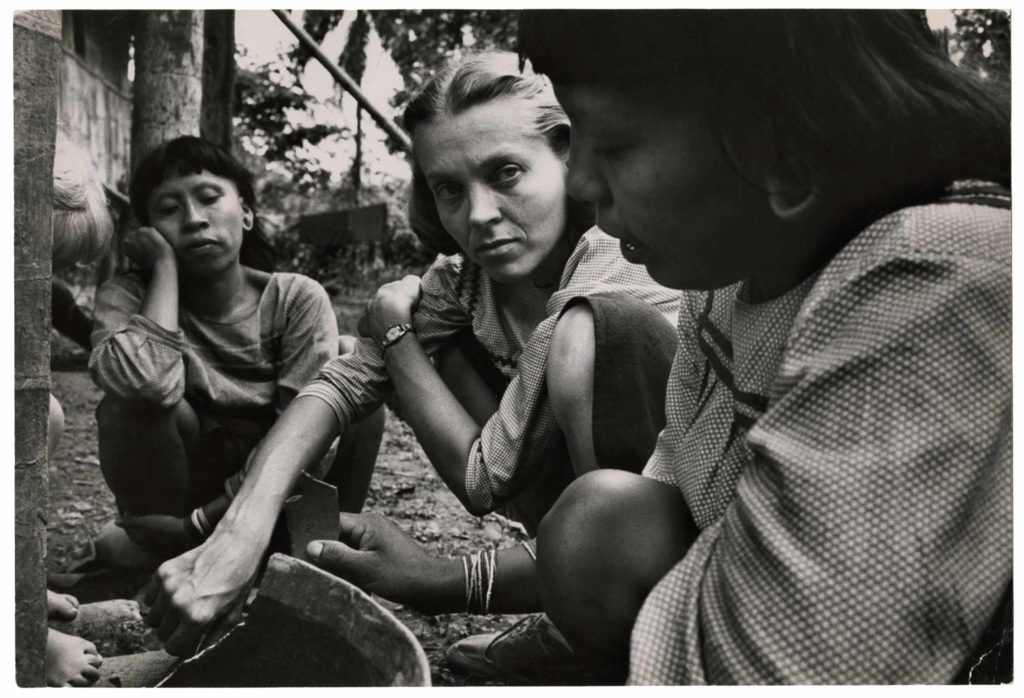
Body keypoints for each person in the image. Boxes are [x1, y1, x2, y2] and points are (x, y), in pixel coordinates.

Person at [306, 9, 1011, 686]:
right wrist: (449, 579)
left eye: (612, 147)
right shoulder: (724, 276)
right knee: (598, 523)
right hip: (732, 577)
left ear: (783, 152)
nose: (580, 182)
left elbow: (792, 667)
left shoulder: (933, 277)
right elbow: (671, 498)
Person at [142, 52, 679, 661]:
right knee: (375, 349)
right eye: (449, 188)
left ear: (570, 160)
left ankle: (622, 634)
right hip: (586, 527)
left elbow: (486, 476)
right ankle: (578, 613)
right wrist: (236, 539)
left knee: (586, 337)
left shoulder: (619, 256)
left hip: (686, 534)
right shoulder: (467, 282)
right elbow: (343, 382)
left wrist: (397, 341)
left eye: (505, 173)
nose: (477, 216)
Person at [88, 135, 384, 567]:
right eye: (168, 210)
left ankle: (317, 552)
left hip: (280, 493)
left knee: (351, 377)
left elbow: (306, 441)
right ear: (148, 231)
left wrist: (205, 521)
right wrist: (165, 270)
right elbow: (147, 384)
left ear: (245, 212)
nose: (192, 220)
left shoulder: (294, 299)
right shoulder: (126, 298)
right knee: (129, 403)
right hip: (177, 508)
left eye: (209, 198)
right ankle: (167, 555)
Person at [45, 130, 113, 686]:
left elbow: (69, 314)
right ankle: (21, 636)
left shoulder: (43, 290)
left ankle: (14, 585)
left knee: (44, 416)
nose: (47, 277)